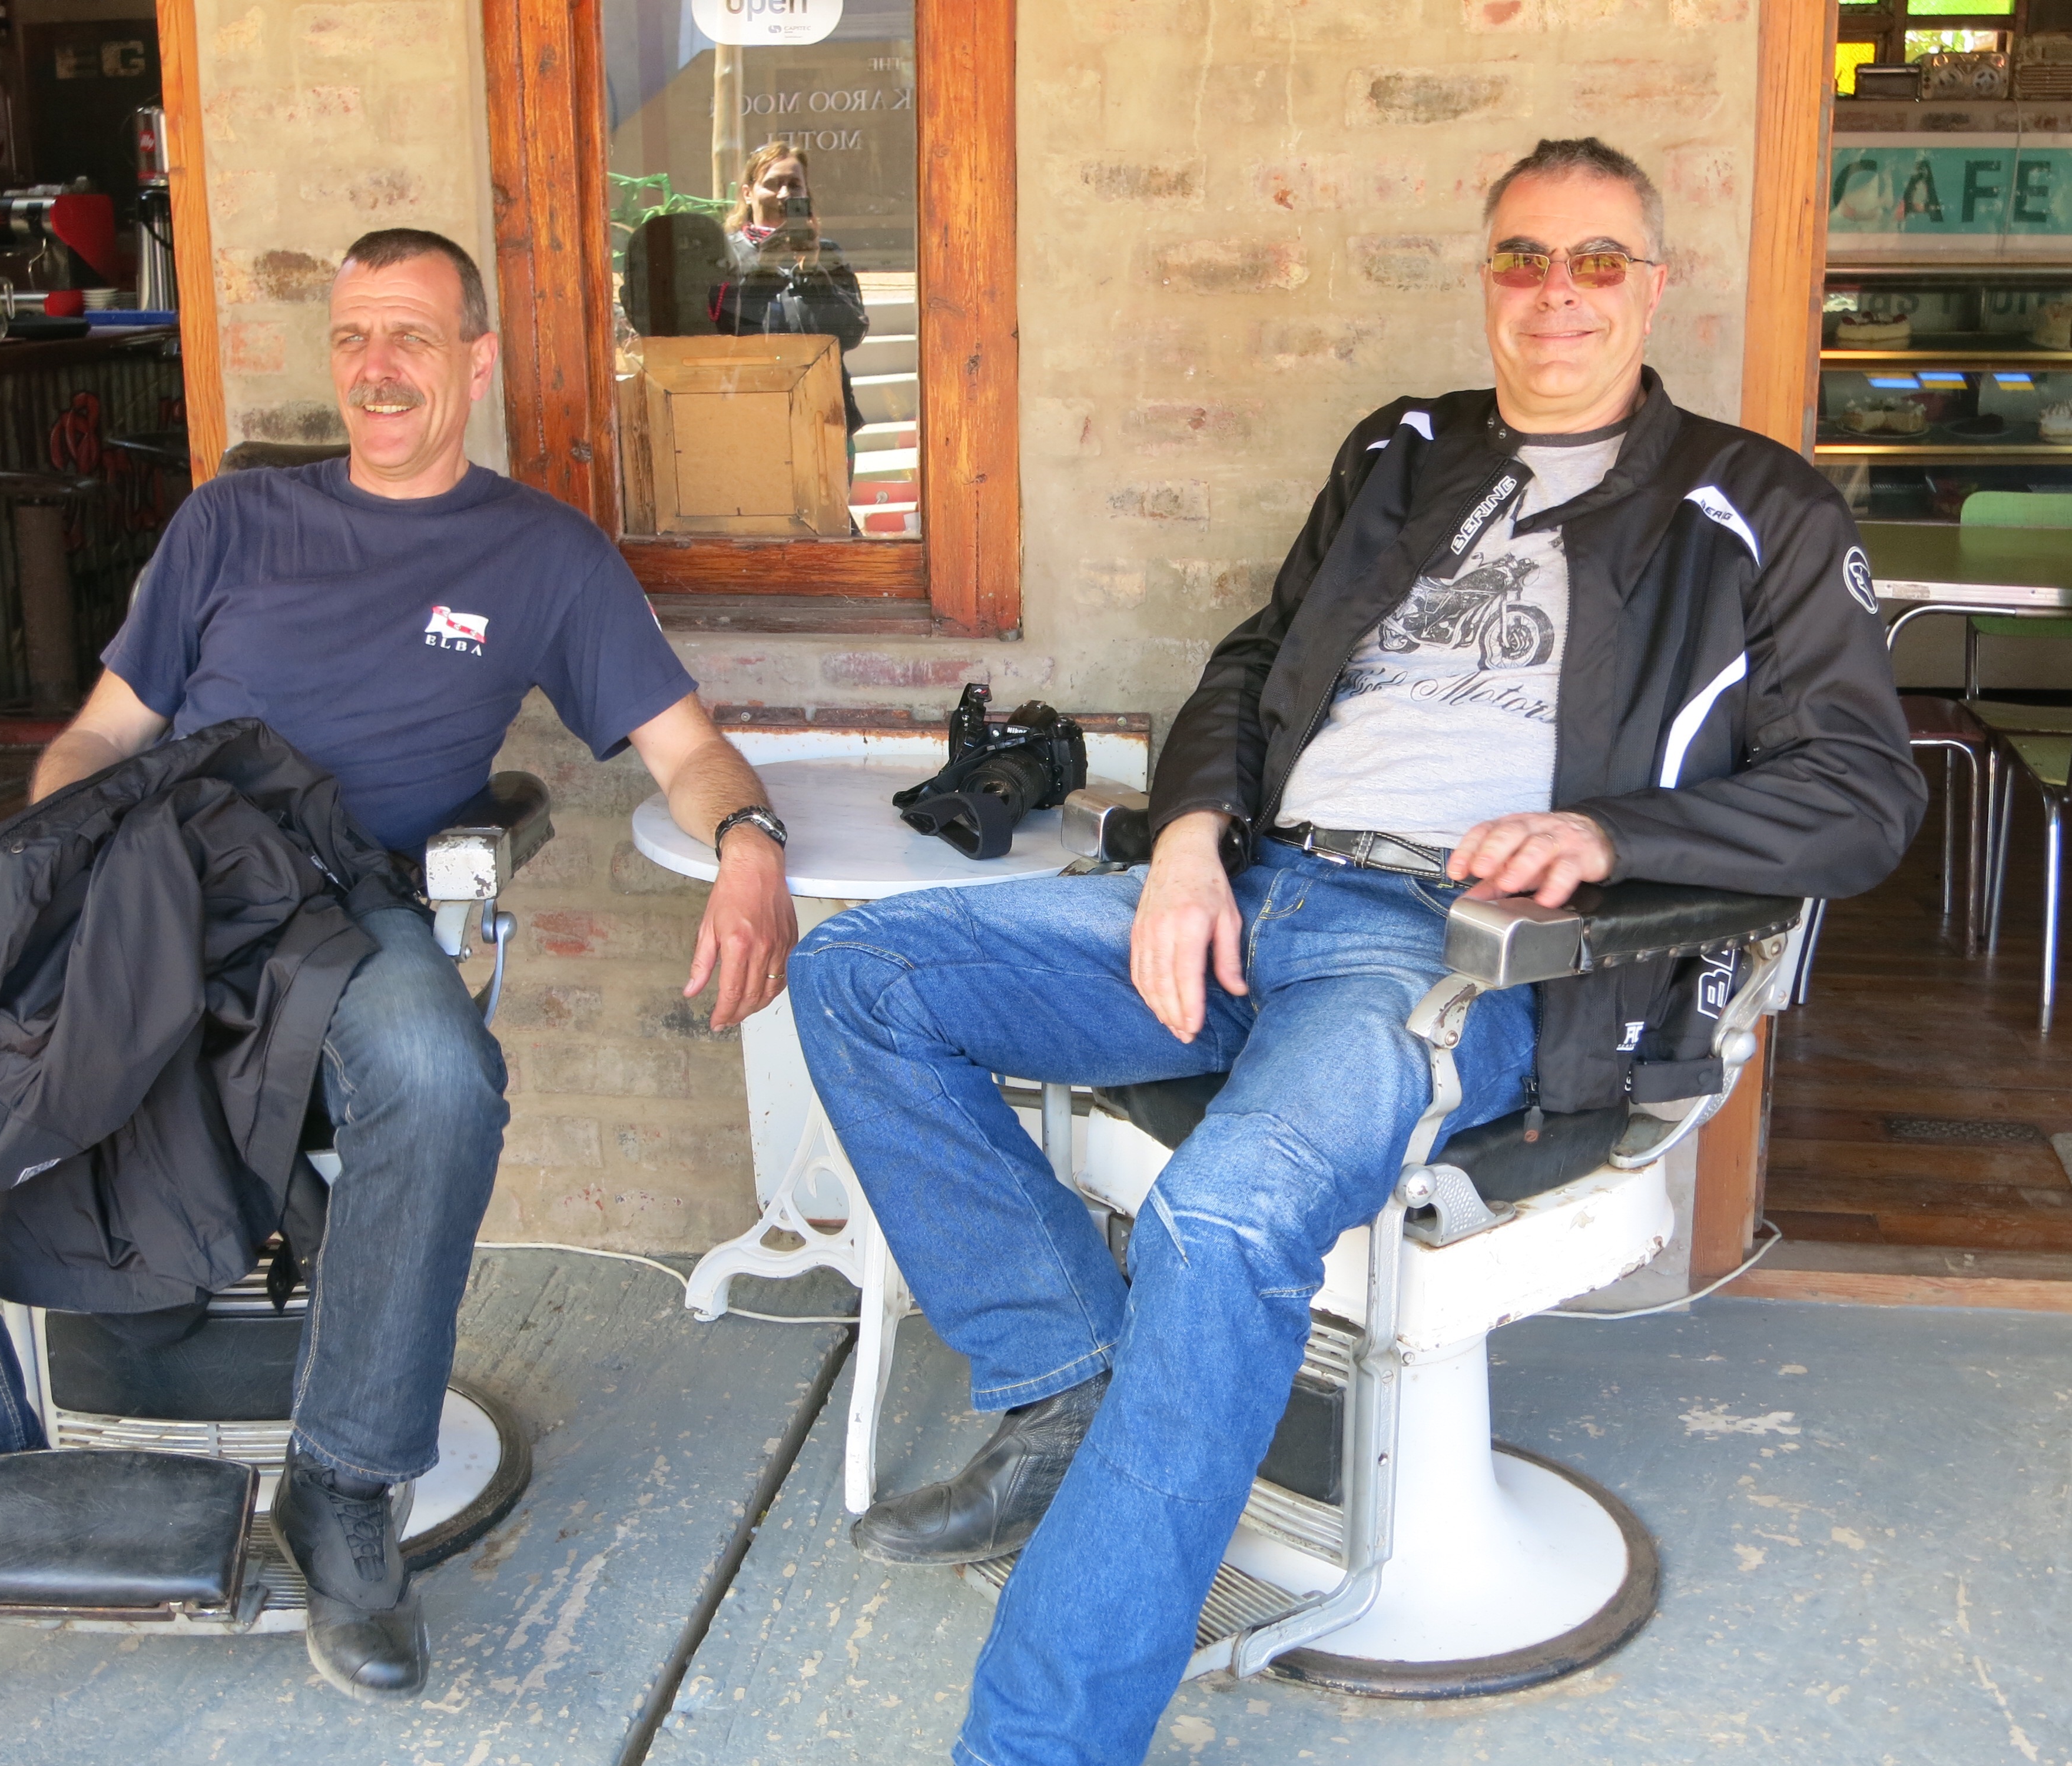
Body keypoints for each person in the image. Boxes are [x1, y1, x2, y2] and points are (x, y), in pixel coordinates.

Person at [788, 138, 1925, 1766]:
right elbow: (1255, 665)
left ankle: (1036, 1743)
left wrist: (1610, 836)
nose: (1555, 294)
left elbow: (1863, 797)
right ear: (1487, 280)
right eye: (1523, 257)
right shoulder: (1404, 451)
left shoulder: (1756, 510)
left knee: (1218, 1219)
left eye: (1596, 261)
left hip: (1454, 952)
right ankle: (1066, 1380)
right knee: (859, 976)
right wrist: (1189, 839)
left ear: (1652, 286)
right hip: (1252, 891)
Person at [0, 226, 799, 1704]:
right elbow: (104, 734)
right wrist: (48, 870)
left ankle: (346, 1492)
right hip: (137, 877)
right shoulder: (231, 520)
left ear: (476, 363)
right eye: (353, 337)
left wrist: (752, 845)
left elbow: (687, 750)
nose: (377, 369)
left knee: (438, 1079)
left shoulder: (541, 553)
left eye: (411, 337)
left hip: (335, 898)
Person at [710, 140, 870, 441]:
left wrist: (813, 272)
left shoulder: (827, 255)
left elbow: (851, 334)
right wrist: (762, 271)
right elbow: (719, 333)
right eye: (773, 184)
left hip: (823, 418)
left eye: (795, 185)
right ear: (748, 193)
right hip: (748, 416)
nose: (784, 194)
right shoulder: (723, 255)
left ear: (806, 194)